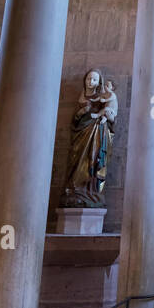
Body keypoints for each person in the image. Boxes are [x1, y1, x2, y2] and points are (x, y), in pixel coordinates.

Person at [62, 69, 118, 208]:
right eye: (88, 79)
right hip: (80, 135)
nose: (90, 82)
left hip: (96, 134)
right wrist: (82, 112)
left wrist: (104, 117)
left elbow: (111, 118)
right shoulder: (81, 98)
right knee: (76, 162)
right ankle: (74, 191)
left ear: (99, 82)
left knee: (92, 162)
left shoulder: (102, 97)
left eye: (94, 80)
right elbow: (74, 121)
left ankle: (90, 192)